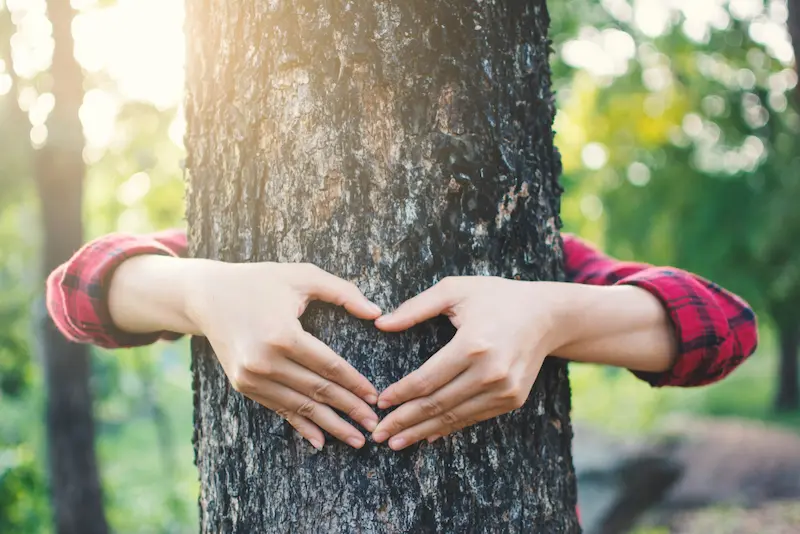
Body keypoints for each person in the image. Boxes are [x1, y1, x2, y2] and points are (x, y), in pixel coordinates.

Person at [46, 229, 757, 452]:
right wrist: (199, 291)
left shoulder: (535, 250)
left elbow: (724, 327)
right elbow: (79, 291)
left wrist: (552, 315)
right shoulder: (234, 244)